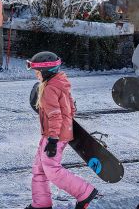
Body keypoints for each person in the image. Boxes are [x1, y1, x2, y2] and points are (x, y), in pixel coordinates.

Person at [27, 51, 100, 209]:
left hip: (55, 136)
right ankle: (41, 203)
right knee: (39, 168)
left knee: (51, 168)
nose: (36, 75)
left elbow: (55, 116)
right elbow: (71, 108)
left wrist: (53, 140)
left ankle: (85, 192)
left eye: (37, 72)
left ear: (45, 71)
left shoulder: (49, 89)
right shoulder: (60, 83)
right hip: (53, 134)